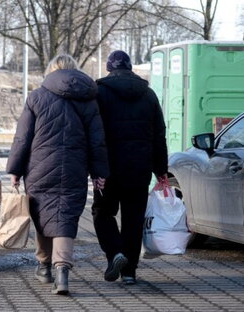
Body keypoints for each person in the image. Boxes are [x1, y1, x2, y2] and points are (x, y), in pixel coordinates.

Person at [6, 54, 109, 295]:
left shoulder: (37, 96)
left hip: (40, 167)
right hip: (75, 167)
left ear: (51, 70)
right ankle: (62, 270)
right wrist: (99, 172)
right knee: (66, 218)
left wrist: (15, 170)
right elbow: (97, 141)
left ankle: (44, 265)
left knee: (43, 214)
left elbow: (23, 137)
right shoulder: (88, 98)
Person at [92, 50, 168, 285]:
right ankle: (129, 272)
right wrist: (161, 169)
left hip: (109, 170)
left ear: (109, 68)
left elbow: (95, 134)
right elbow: (159, 135)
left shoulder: (100, 93)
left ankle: (116, 253)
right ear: (130, 67)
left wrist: (95, 169)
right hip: (139, 169)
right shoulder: (148, 94)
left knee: (102, 212)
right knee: (133, 219)